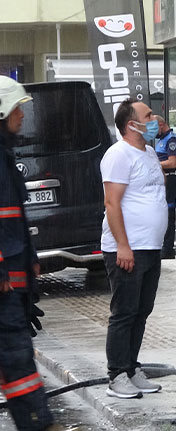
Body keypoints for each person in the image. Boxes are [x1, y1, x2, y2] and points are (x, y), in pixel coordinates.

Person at [0, 76, 75, 431]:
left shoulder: (4, 155)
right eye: (17, 108)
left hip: (13, 283)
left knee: (16, 355)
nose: (22, 116)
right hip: (4, 283)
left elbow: (14, 218)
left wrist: (30, 263)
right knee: (15, 355)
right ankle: (39, 424)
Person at [101, 99, 167, 399]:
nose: (154, 118)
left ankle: (131, 367)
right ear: (131, 124)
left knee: (142, 310)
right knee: (124, 312)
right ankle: (116, 374)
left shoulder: (150, 152)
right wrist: (122, 246)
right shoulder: (118, 155)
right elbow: (112, 203)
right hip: (129, 248)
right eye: (148, 115)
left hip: (151, 247)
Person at [154, 116, 176, 259]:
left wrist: (154, 164)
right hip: (160, 179)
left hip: (169, 179)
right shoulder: (160, 141)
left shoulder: (171, 139)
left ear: (161, 124)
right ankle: (162, 245)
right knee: (160, 214)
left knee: (168, 214)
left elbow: (172, 163)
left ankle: (168, 248)